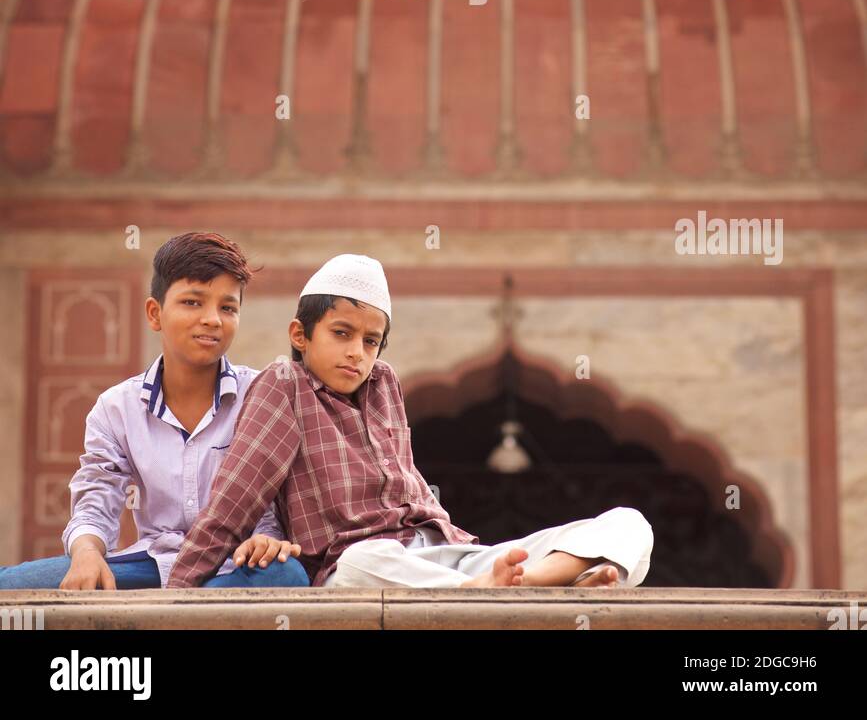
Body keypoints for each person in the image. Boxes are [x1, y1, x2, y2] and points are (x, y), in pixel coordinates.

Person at [167, 253, 653, 590]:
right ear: (300, 335)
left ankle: (531, 581)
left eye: (370, 341)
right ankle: (537, 585)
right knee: (360, 565)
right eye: (341, 334)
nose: (357, 353)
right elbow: (232, 504)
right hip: (365, 565)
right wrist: (173, 598)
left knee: (629, 524)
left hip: (448, 556)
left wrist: (478, 568)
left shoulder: (383, 383)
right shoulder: (284, 385)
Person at [0, 231, 309, 591]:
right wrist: (86, 552)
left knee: (287, 574)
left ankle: (181, 608)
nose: (212, 319)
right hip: (151, 565)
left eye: (228, 308)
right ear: (155, 313)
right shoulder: (117, 408)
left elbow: (274, 500)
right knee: (11, 584)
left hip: (236, 565)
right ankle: (193, 607)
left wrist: (268, 539)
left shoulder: (261, 394)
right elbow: (97, 498)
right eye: (192, 302)